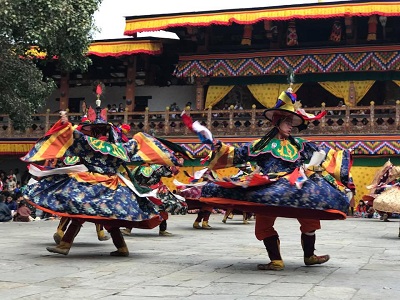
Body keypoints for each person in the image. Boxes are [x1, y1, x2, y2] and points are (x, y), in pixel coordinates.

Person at [196, 86, 354, 270]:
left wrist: (344, 155)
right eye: (287, 121)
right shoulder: (260, 145)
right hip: (270, 187)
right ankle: (276, 260)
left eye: (291, 122)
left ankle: (309, 256)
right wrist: (216, 145)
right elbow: (236, 155)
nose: (290, 125)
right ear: (277, 122)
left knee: (310, 219)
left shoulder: (300, 145)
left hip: (296, 184)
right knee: (263, 223)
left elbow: (323, 154)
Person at [21, 94, 189, 256]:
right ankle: (121, 248)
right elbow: (138, 142)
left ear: (93, 131)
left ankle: (65, 245)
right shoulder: (121, 149)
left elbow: (71, 136)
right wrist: (164, 151)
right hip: (113, 186)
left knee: (79, 213)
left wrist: (65, 122)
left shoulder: (87, 143)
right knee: (109, 219)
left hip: (90, 184)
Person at [121, 164, 187, 237]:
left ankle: (128, 229)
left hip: (141, 191)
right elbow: (170, 174)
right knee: (162, 209)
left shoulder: (137, 168)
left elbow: (131, 178)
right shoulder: (157, 167)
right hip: (154, 192)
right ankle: (162, 230)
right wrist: (173, 166)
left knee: (138, 209)